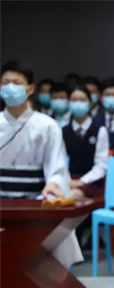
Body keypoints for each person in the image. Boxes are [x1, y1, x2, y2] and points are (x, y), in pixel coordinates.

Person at [0, 60, 82, 266]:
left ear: (30, 89)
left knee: (39, 253)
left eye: (16, 82)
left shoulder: (47, 125)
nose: (10, 87)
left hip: (36, 199)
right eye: (6, 82)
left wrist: (53, 183)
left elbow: (57, 165)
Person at [63, 85, 108, 199]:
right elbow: (60, 162)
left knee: (71, 196)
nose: (78, 103)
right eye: (74, 100)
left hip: (91, 182)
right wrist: (68, 181)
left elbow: (101, 165)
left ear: (90, 104)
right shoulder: (63, 131)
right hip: (67, 181)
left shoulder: (100, 130)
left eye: (82, 100)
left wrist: (82, 181)